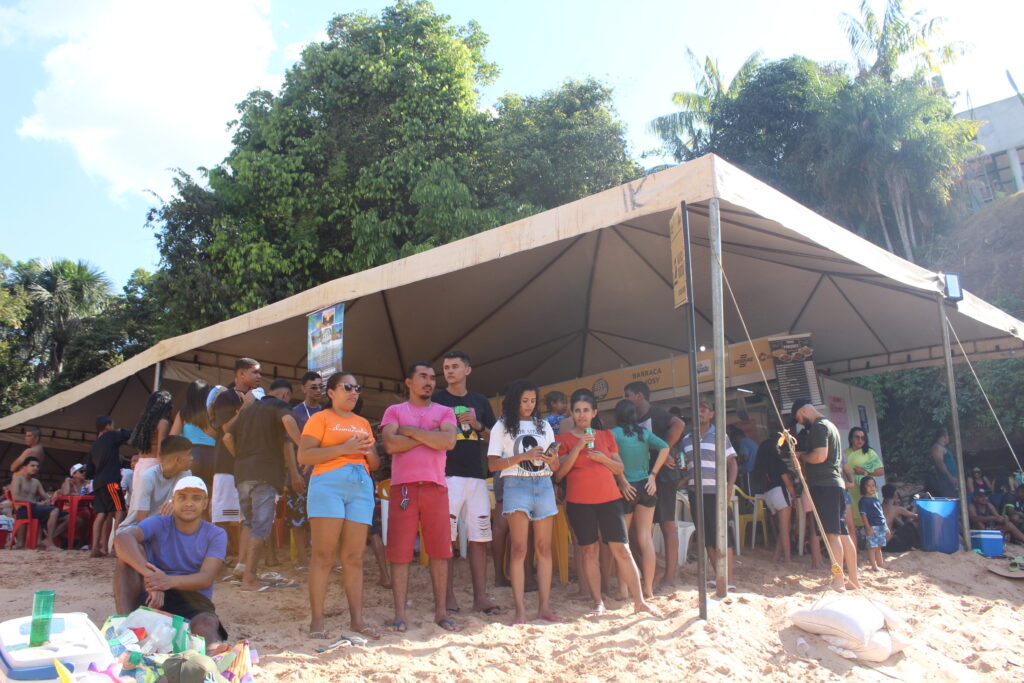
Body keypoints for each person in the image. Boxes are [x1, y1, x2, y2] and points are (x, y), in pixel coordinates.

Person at [554, 389, 658, 616]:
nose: (582, 415)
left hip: (609, 499)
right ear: (572, 413)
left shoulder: (606, 436)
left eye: (586, 410)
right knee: (589, 552)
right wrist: (578, 447)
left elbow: (620, 468)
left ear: (594, 413)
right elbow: (560, 474)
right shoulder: (563, 440)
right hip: (580, 501)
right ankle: (598, 601)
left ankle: (639, 601)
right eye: (577, 411)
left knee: (622, 549)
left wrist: (603, 459)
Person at [297, 372, 379, 639]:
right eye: (347, 387)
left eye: (357, 387)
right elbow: (305, 455)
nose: (354, 392)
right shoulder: (319, 418)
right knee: (323, 555)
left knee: (354, 557)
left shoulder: (363, 423)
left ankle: (357, 621)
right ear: (331, 392)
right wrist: (345, 448)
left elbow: (375, 463)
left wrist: (367, 451)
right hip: (327, 486)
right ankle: (317, 620)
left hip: (361, 487)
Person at [381, 362, 459, 632]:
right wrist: (431, 437)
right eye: (423, 377)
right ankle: (400, 615)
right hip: (403, 489)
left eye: (432, 378)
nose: (429, 382)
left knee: (440, 551)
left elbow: (448, 442)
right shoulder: (394, 411)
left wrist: (411, 432)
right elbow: (390, 444)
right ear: (409, 382)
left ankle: (441, 613)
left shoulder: (445, 411)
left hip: (435, 487)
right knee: (399, 552)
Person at [112, 476, 229, 656]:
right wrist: (151, 576)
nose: (189, 503)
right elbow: (122, 539)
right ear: (173, 501)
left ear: (205, 503)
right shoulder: (158, 523)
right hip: (153, 597)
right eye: (182, 497)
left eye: (196, 498)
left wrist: (166, 582)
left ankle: (211, 660)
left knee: (207, 623)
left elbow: (206, 578)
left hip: (194, 599)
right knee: (126, 559)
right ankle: (125, 626)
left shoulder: (216, 533)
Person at [430, 351, 502, 615]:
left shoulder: (480, 401)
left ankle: (480, 596)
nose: (449, 371)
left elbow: (496, 438)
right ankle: (447, 596)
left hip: (477, 477)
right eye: (446, 367)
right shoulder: (437, 400)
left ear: (467, 370)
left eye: (455, 366)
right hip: (446, 475)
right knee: (445, 539)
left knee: (479, 538)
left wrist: (477, 425)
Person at [487, 379, 561, 624]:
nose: (529, 405)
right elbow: (492, 464)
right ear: (515, 401)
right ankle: (520, 611)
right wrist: (524, 456)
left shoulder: (543, 425)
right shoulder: (501, 426)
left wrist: (551, 459)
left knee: (544, 549)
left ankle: (544, 607)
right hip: (515, 484)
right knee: (519, 549)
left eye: (533, 401)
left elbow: (556, 466)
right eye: (524, 401)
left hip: (543, 483)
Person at [225, 378, 303, 592]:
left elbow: (227, 438)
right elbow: (288, 421)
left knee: (249, 523)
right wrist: (303, 446)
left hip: (242, 473)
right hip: (265, 474)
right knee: (261, 526)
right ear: (285, 395)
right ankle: (249, 579)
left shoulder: (247, 411)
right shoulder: (279, 406)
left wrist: (241, 458)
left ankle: (243, 569)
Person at [622, 381, 685, 591]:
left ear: (639, 396)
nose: (626, 399)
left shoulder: (656, 414)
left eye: (628, 395)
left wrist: (664, 450)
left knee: (667, 524)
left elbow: (679, 424)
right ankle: (655, 570)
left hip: (664, 477)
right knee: (636, 530)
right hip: (644, 477)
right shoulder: (634, 421)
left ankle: (670, 576)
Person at [792, 398, 860, 591]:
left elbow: (820, 456)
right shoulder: (830, 425)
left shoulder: (819, 427)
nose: (800, 423)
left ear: (804, 411)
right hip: (835, 485)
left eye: (799, 418)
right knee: (842, 533)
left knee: (833, 535)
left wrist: (802, 456)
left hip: (825, 485)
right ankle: (853, 580)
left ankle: (838, 581)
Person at [611, 399, 670, 599]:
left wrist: (621, 480)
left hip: (627, 488)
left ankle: (623, 589)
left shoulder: (614, 434)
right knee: (646, 538)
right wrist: (653, 475)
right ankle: (648, 589)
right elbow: (665, 448)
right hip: (646, 486)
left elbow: (613, 458)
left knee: (623, 540)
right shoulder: (643, 433)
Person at [681, 401, 738, 591]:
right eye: (697, 410)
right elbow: (686, 466)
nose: (700, 414)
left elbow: (733, 464)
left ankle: (729, 580)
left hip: (716, 493)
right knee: (706, 537)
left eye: (704, 411)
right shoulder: (686, 439)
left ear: (712, 414)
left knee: (722, 537)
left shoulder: (720, 435)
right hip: (695, 494)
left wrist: (729, 487)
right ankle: (719, 576)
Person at [210, 358, 263, 556]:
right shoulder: (225, 397)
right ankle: (219, 557)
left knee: (246, 517)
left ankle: (242, 560)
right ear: (241, 374)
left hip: (250, 467)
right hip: (227, 465)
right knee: (224, 515)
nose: (259, 376)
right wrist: (244, 407)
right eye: (255, 372)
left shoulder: (259, 399)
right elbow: (226, 429)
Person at [118, 436, 194, 529]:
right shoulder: (148, 478)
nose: (192, 458)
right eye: (189, 454)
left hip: (164, 527)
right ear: (177, 460)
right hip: (134, 528)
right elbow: (141, 521)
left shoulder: (186, 474)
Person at [289, 371, 323, 568]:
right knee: (298, 517)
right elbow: (287, 445)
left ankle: (319, 557)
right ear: (303, 389)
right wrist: (293, 473)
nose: (318, 390)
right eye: (313, 387)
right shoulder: (295, 412)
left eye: (320, 386)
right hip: (301, 473)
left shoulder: (326, 413)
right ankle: (302, 559)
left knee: (320, 517)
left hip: (322, 473)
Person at [85, 416, 134, 557]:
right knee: (120, 510)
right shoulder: (111, 435)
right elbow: (129, 434)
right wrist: (120, 430)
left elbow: (89, 472)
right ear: (107, 426)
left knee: (102, 513)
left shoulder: (94, 446)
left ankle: (96, 548)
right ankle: (115, 548)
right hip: (111, 481)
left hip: (98, 484)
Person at [752, 436, 796, 563]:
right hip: (780, 493)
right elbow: (787, 483)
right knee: (785, 529)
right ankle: (787, 558)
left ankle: (776, 556)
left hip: (769, 495)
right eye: (777, 446)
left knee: (783, 528)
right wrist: (793, 497)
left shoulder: (762, 465)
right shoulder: (778, 462)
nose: (779, 448)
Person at [10, 456, 69, 549]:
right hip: (23, 509)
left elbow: (45, 497)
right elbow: (16, 497)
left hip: (35, 509)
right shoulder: (18, 479)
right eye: (32, 466)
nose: (35, 468)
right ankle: (50, 543)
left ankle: (47, 540)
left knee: (68, 517)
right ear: (24, 467)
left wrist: (47, 501)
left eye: (37, 466)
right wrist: (36, 503)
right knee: (54, 511)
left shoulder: (36, 482)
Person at [170, 381, 217, 492]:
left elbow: (172, 437)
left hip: (191, 454)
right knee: (209, 493)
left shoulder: (184, 412)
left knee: (189, 492)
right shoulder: (213, 412)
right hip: (213, 455)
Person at [129, 391, 174, 495]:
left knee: (138, 501)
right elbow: (161, 451)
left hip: (140, 465)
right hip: (153, 465)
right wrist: (161, 473)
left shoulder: (143, 424)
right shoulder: (163, 423)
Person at [845, 427, 884, 524]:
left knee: (872, 522)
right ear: (851, 439)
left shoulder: (869, 453)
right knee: (853, 522)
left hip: (868, 493)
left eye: (863, 438)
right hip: (851, 492)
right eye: (857, 437)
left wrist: (864, 472)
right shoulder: (845, 453)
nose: (860, 440)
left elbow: (881, 471)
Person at [858, 477, 887, 571]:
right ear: (863, 487)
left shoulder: (876, 499)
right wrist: (868, 528)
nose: (871, 488)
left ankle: (880, 564)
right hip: (872, 526)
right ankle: (874, 566)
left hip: (881, 525)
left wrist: (886, 526)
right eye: (868, 486)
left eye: (873, 486)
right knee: (872, 547)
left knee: (878, 547)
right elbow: (863, 515)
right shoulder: (863, 501)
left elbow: (881, 513)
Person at [881, 484, 919, 552]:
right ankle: (916, 545)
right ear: (895, 495)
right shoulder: (896, 509)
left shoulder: (879, 507)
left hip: (880, 545)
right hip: (890, 544)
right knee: (913, 524)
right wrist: (915, 507)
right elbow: (916, 517)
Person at [727, 423, 759, 495]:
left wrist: (736, 463)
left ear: (737, 437)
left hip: (749, 471)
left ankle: (750, 502)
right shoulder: (749, 441)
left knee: (749, 493)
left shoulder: (743, 442)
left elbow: (745, 457)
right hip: (755, 471)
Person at [927, 428, 959, 498]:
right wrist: (950, 477)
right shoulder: (937, 447)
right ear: (944, 436)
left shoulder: (945, 448)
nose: (948, 438)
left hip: (951, 481)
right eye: (948, 435)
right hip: (945, 480)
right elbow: (940, 464)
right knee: (949, 499)